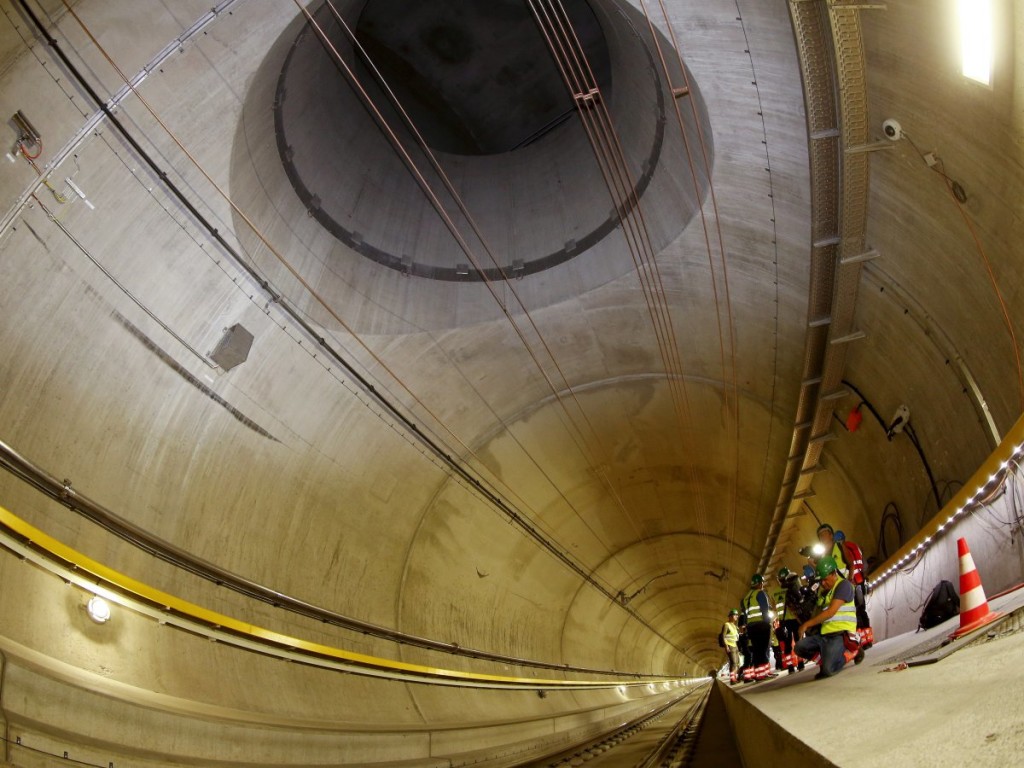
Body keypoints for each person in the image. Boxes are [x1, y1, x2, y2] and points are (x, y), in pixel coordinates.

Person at [795, 555, 862, 679]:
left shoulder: (843, 586)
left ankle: (852, 651)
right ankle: (825, 660)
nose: (823, 583)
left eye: (825, 580)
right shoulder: (823, 593)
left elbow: (830, 612)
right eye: (821, 581)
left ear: (833, 573)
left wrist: (807, 624)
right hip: (824, 635)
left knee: (829, 670)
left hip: (840, 634)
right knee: (799, 647)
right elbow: (818, 612)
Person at [834, 529, 874, 648]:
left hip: (852, 584)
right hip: (860, 581)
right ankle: (868, 640)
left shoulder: (843, 550)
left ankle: (861, 641)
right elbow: (863, 564)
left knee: (855, 613)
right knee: (862, 610)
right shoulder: (854, 546)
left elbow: (849, 566)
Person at [741, 573, 775, 682]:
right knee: (763, 649)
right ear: (760, 583)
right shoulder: (760, 593)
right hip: (761, 625)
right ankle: (763, 674)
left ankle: (760, 674)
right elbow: (765, 610)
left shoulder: (745, 598)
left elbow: (745, 615)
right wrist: (767, 623)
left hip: (751, 627)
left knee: (756, 650)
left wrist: (747, 627)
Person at [774, 567, 803, 673]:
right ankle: (800, 664)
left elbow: (775, 607)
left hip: (783, 621)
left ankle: (790, 667)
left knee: (786, 645)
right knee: (798, 641)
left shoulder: (775, 592)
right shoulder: (791, 588)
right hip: (794, 619)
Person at [722, 609, 741, 684]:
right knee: (733, 662)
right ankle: (732, 680)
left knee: (737, 663)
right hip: (730, 645)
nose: (736, 616)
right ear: (730, 616)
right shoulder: (726, 625)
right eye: (735, 615)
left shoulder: (735, 626)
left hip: (735, 645)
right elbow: (723, 636)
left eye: (737, 615)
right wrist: (726, 646)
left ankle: (734, 678)